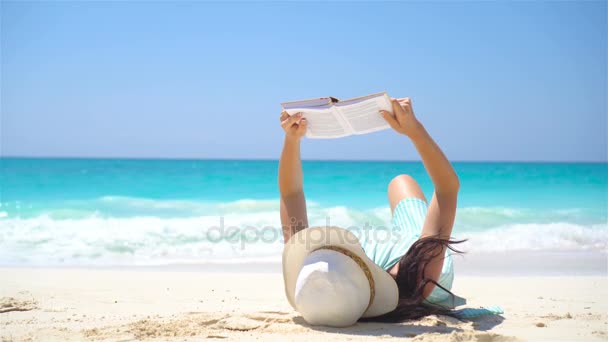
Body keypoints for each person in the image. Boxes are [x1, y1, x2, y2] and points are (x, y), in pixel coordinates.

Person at [278, 97, 466, 324]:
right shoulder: (414, 279)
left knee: (399, 184)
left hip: (375, 264)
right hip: (414, 255)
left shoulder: (316, 283)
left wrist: (292, 140)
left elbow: (291, 194)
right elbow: (447, 189)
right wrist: (414, 131)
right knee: (401, 181)